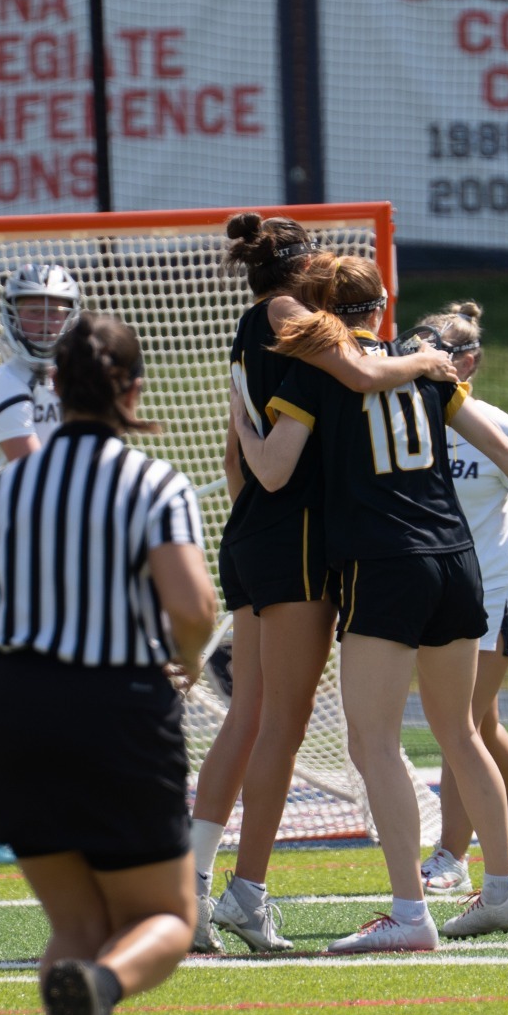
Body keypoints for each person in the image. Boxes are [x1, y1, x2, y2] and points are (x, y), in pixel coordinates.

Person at [231, 256, 508, 953]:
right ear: (382, 306)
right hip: (457, 559)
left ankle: (408, 910)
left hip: (384, 562)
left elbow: (272, 473)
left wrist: (244, 423)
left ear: (321, 312)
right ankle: (500, 890)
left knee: (373, 740)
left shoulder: (317, 373)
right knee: (461, 731)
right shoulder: (430, 372)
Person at [0, 311, 213, 1015]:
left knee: (77, 924)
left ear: (54, 384)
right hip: (119, 704)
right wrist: (185, 662)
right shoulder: (154, 483)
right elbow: (193, 607)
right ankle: (104, 985)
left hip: (11, 709)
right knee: (167, 918)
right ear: (134, 389)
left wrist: (27, 640)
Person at [192, 213, 455, 955]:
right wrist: (425, 360)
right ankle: (242, 891)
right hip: (296, 537)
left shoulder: (254, 322)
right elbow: (366, 374)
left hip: (253, 531)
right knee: (280, 721)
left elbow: (237, 457)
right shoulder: (292, 316)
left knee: (250, 716)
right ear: (304, 268)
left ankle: (199, 883)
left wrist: (254, 514)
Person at [406, 303, 508, 899]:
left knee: (458, 722)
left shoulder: (501, 427)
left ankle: (452, 855)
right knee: (481, 725)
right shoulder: (402, 422)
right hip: (438, 591)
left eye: (437, 350)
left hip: (495, 588)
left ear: (467, 362)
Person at [0, 261, 82, 865]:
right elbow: (34, 468)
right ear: (12, 316)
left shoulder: (78, 382)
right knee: (17, 687)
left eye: (55, 310)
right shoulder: (7, 383)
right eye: (33, 310)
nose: (44, 321)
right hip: (14, 549)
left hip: (63, 550)